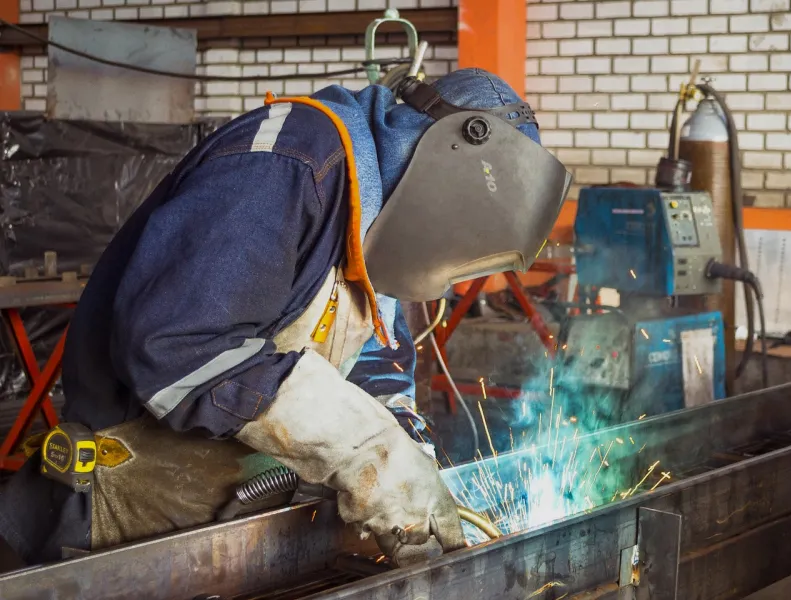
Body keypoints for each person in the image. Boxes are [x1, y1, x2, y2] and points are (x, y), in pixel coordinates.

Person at [0, 67, 570, 567]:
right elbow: (176, 345)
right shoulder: (288, 162)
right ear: (451, 157)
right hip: (126, 521)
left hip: (237, 525)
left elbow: (378, 362)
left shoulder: (375, 223)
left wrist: (405, 450)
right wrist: (362, 448)